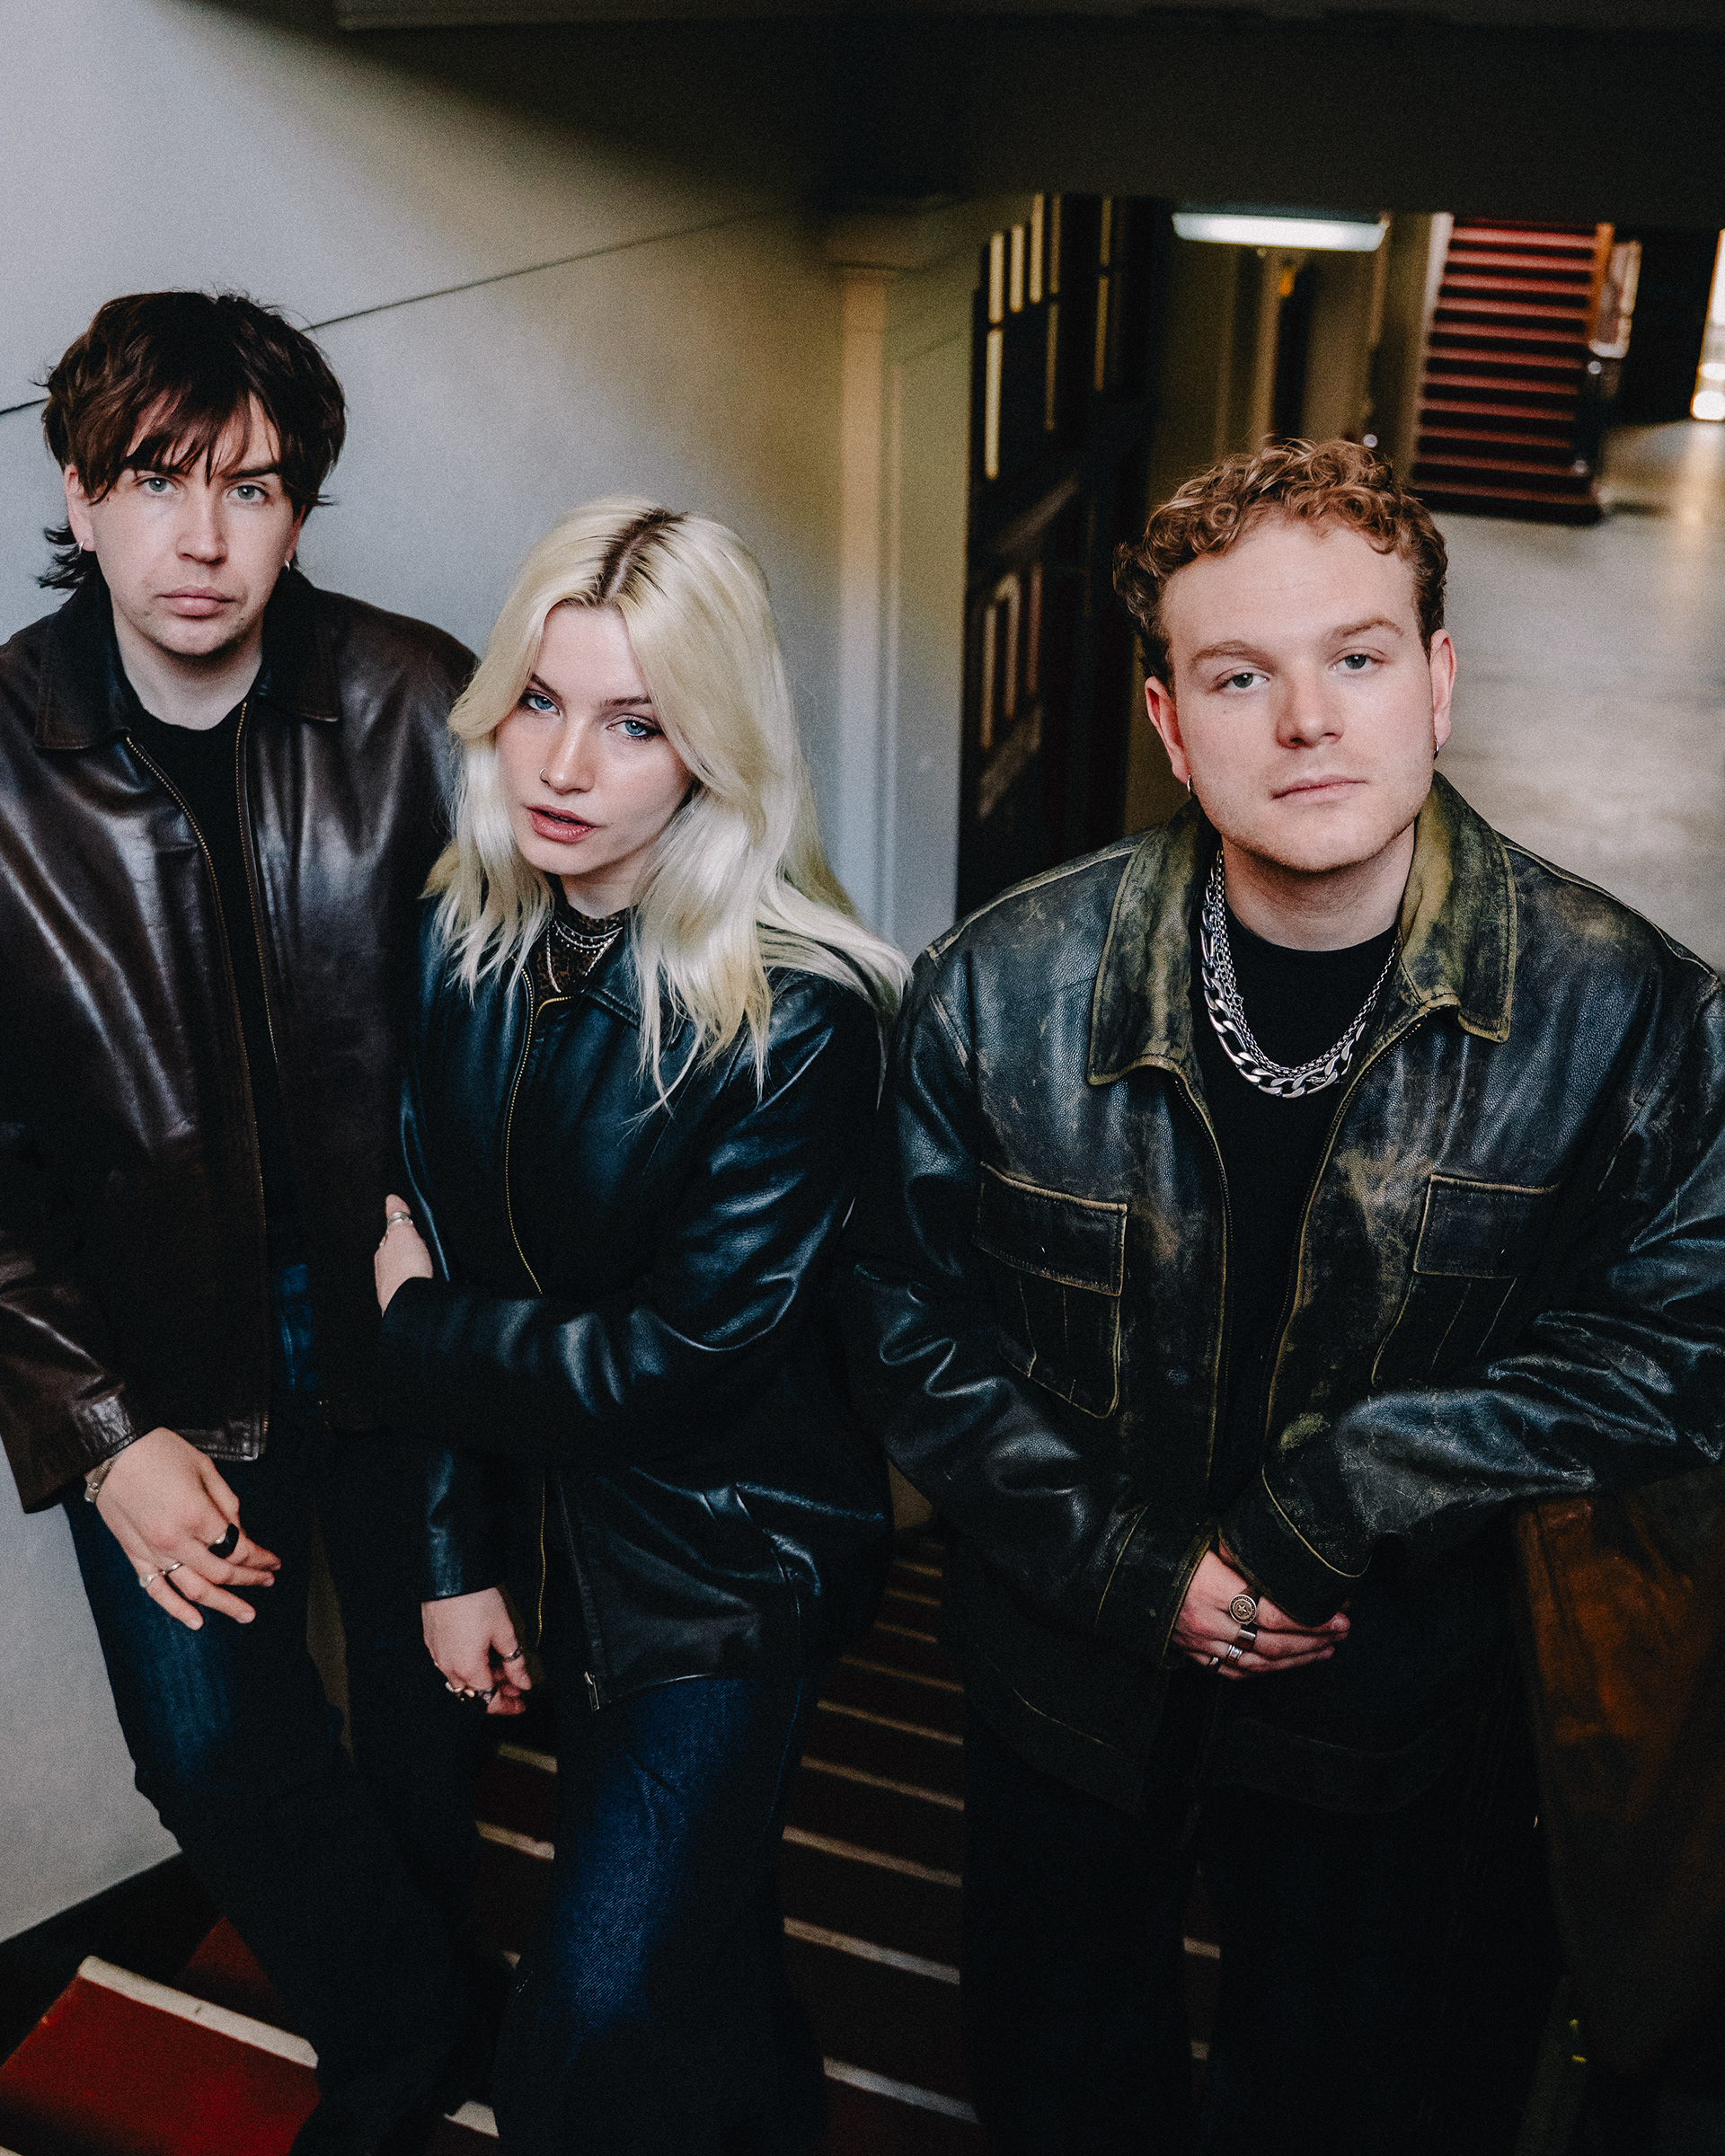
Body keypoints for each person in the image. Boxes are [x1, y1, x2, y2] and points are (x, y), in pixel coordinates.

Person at [843, 438, 1725, 2154]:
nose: (1308, 721)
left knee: (1334, 2096)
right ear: (1171, 723)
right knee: (1060, 2078)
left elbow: (1682, 1345)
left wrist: (1339, 1496)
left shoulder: (1633, 1016)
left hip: (1391, 1708)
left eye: (1358, 658)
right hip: (1067, 1684)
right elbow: (899, 1316)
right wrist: (1133, 1568)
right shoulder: (998, 983)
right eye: (1239, 675)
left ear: (1438, 683)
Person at [0, 291, 493, 2154]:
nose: (202, 538)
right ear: (80, 491)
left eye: (254, 488)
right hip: (152, 1351)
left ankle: (397, 2073)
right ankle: (423, 2032)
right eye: (156, 480)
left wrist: (472, 1284)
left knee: (430, 1726)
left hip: (409, 1317)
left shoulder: (421, 704)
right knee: (210, 1749)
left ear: (300, 508)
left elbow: (529, 1030)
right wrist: (99, 1431)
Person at [370, 497, 905, 2154]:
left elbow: (674, 1362)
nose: (563, 764)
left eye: (636, 722)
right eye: (540, 700)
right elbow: (430, 1241)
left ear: (714, 752)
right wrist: (451, 1557)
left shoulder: (800, 1018)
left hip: (724, 1572)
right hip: (546, 1536)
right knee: (700, 1928)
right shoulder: (464, 937)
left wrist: (418, 1330)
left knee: (591, 2011)